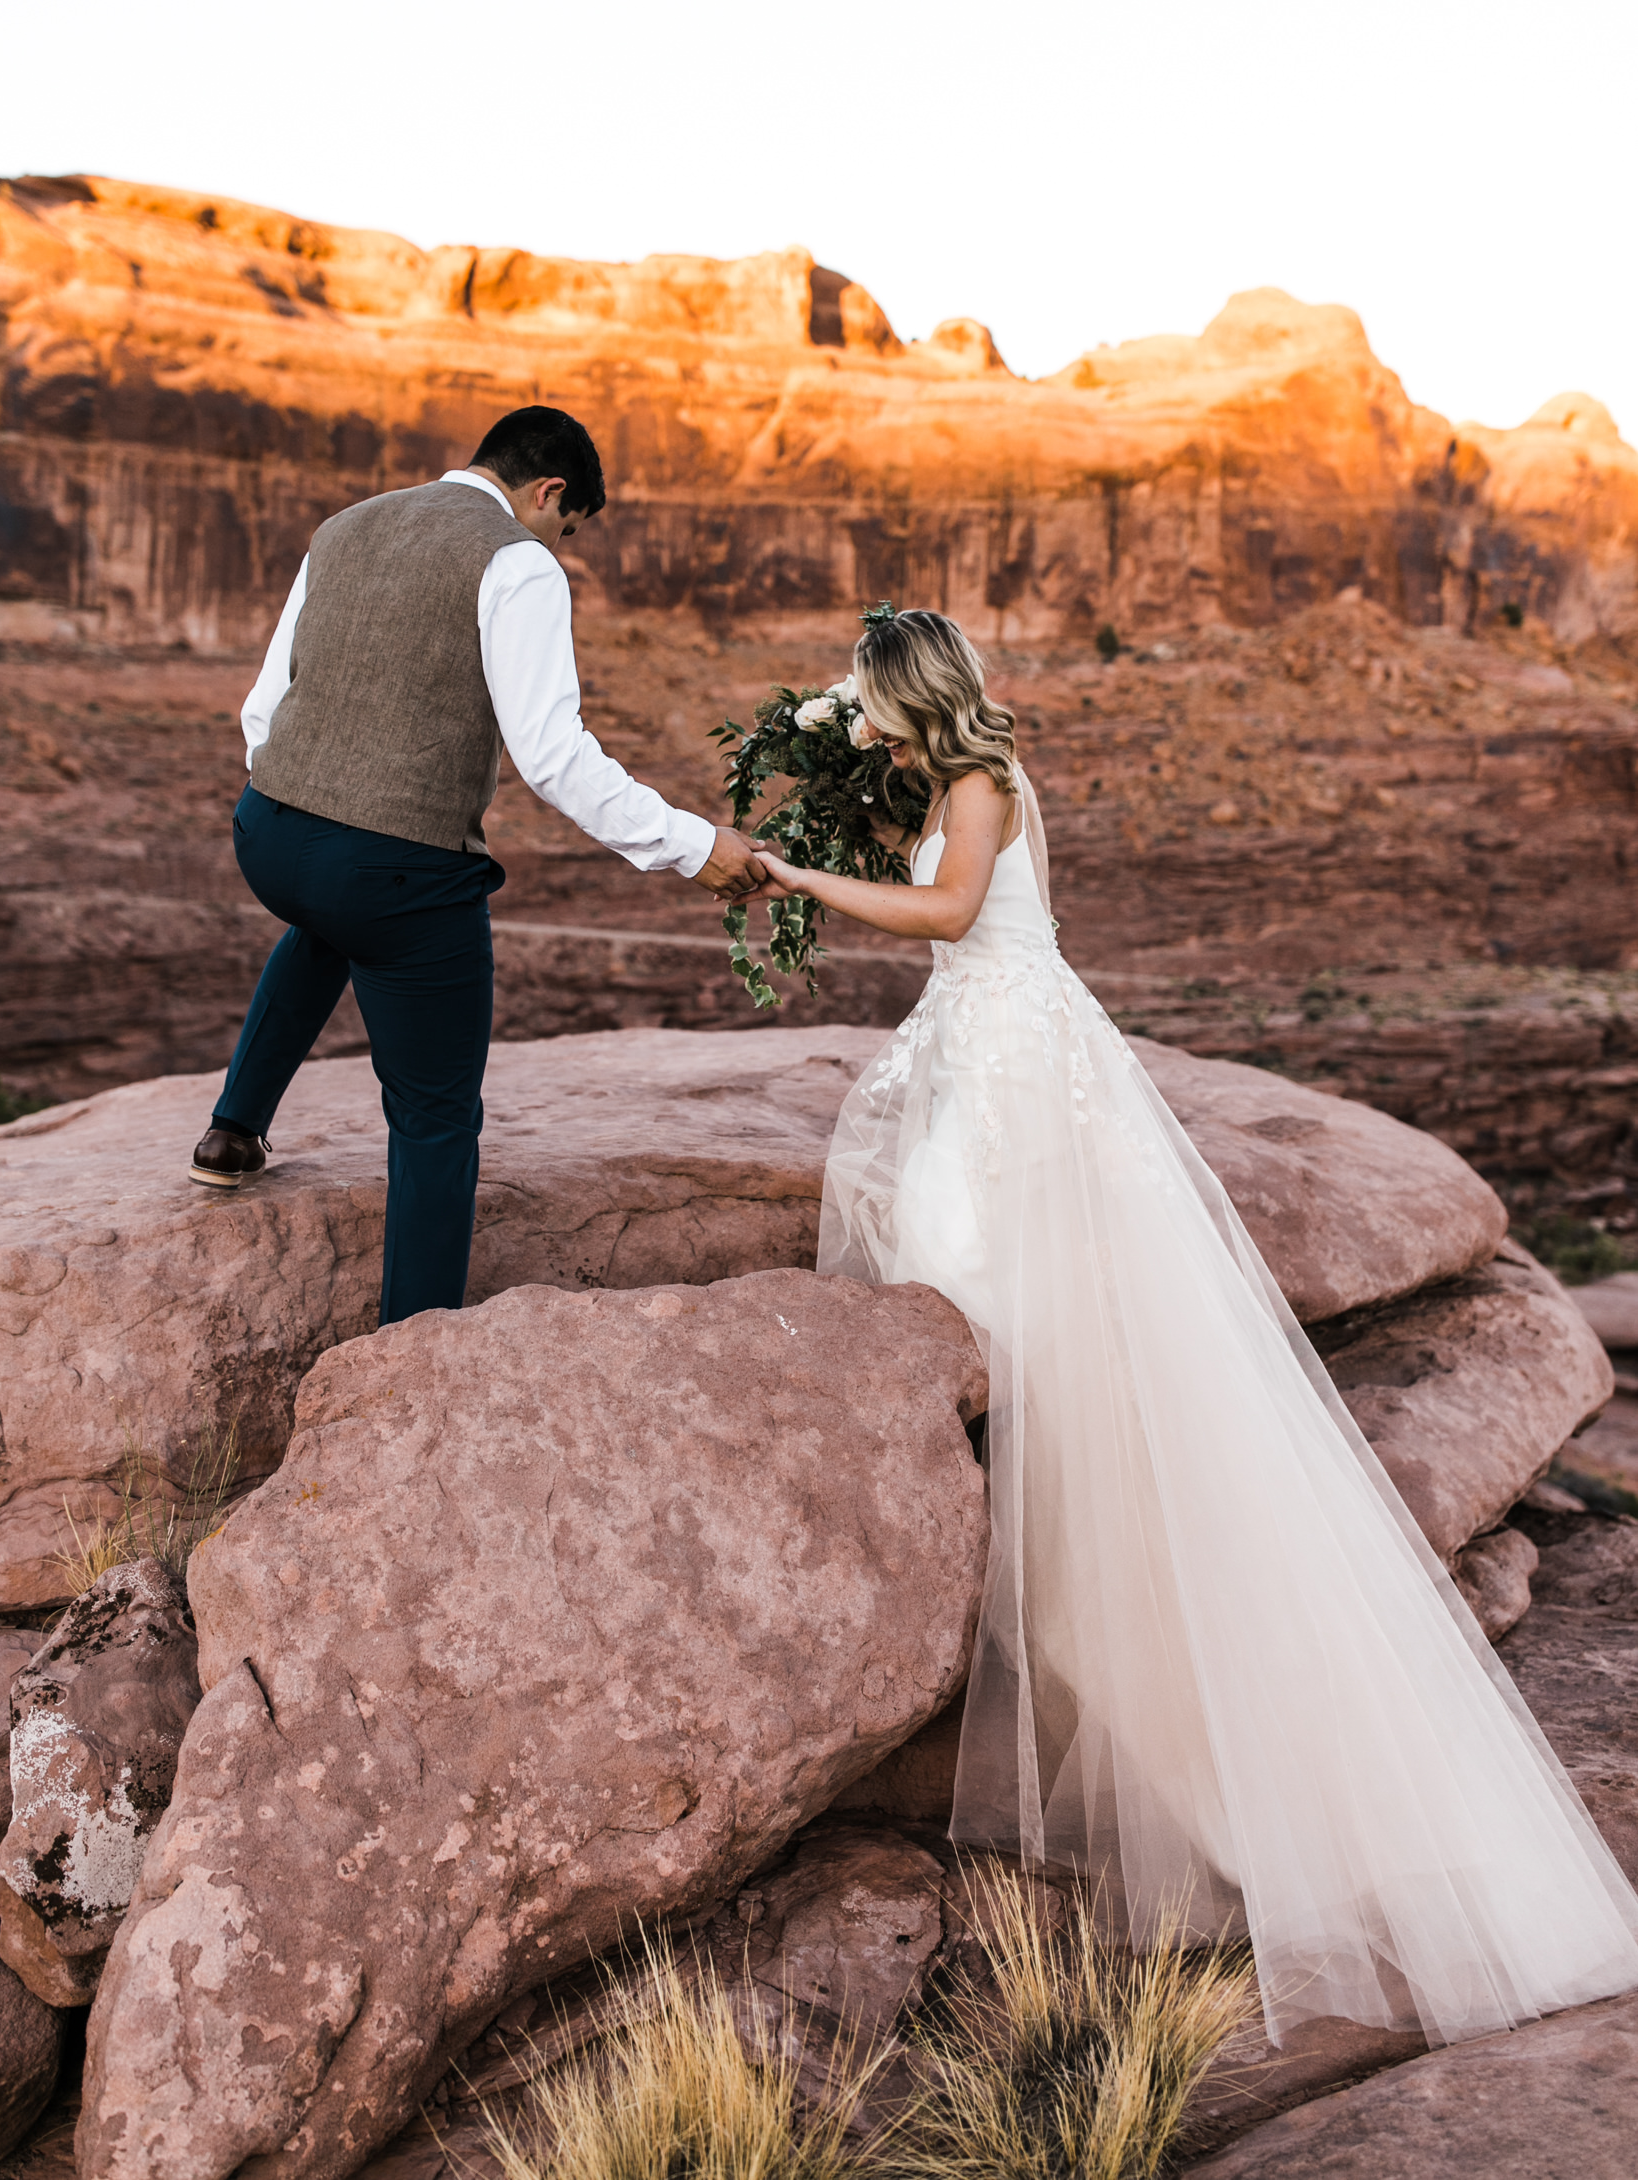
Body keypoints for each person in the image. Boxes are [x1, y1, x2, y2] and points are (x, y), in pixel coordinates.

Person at [753, 604, 1638, 2047]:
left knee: (1029, 1347)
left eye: (861, 694)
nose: (846, 710)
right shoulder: (955, 772)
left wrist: (791, 867)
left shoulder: (974, 788)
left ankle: (1231, 1785)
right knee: (999, 1329)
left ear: (904, 700)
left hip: (1013, 1075)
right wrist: (825, 748)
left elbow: (948, 914)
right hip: (1000, 1054)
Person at [189, 405, 765, 1324]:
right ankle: (411, 1344)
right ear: (551, 493)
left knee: (330, 920)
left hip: (266, 835)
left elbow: (266, 705)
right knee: (435, 1119)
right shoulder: (517, 560)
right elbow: (553, 758)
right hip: (394, 874)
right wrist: (695, 848)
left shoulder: (345, 526)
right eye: (567, 530)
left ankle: (232, 1131)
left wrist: (308, 805)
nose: (560, 547)